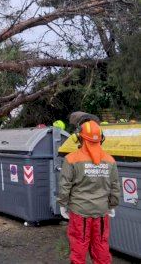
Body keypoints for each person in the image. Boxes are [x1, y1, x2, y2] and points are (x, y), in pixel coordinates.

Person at [58, 113, 120, 264]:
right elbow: (115, 188)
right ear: (101, 139)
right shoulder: (110, 161)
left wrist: (62, 204)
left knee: (79, 246)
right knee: (101, 247)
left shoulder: (71, 159)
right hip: (101, 213)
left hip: (80, 213)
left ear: (80, 137)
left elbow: (65, 185)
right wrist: (111, 205)